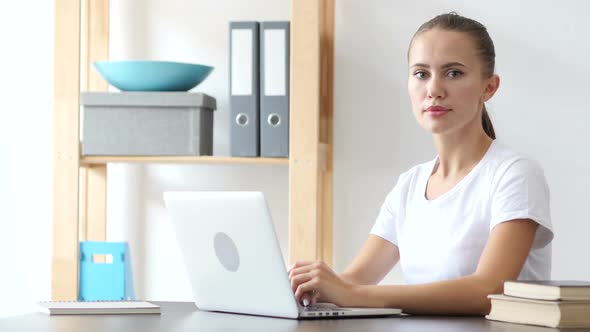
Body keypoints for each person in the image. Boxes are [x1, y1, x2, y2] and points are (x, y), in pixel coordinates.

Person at [288, 12, 553, 315]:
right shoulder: (410, 185)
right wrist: (309, 288)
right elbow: (354, 281)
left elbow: (488, 291)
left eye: (453, 73)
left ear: (489, 87)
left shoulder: (514, 174)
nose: (434, 89)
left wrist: (351, 292)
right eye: (421, 74)